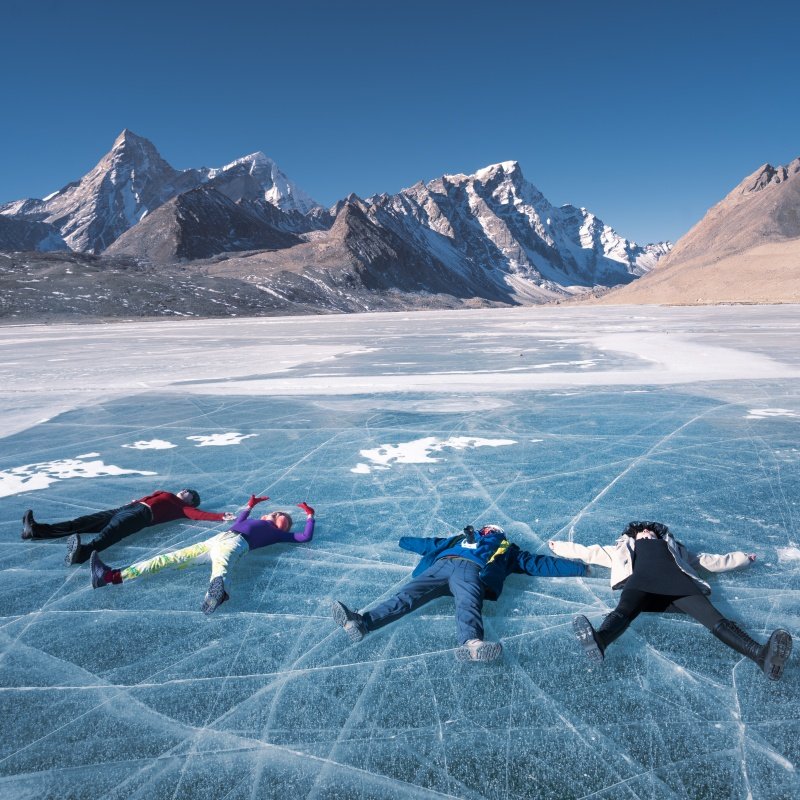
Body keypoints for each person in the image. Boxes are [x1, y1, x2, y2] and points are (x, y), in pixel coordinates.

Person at [548, 521, 793, 681]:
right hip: (640, 583)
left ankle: (761, 655)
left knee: (716, 620)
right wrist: (559, 546)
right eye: (640, 531)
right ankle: (600, 640)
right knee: (623, 610)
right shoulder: (622, 549)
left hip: (678, 584)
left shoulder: (676, 549)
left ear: (657, 533)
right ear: (632, 535)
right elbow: (590, 552)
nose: (645, 532)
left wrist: (742, 559)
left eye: (649, 530)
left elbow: (710, 561)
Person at [332, 523, 587, 662]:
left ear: (499, 534)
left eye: (493, 531)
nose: (488, 531)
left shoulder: (508, 549)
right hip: (440, 567)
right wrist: (403, 540)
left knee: (468, 604)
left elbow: (538, 564)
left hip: (472, 571)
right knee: (405, 597)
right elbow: (431, 544)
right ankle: (362, 622)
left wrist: (578, 567)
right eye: (487, 529)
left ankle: (473, 645)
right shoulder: (458, 539)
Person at [89, 496, 315, 614]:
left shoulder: (276, 534)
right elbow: (239, 522)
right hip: (216, 541)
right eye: (276, 514)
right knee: (167, 559)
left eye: (278, 517)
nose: (274, 516)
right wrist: (249, 505)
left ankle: (219, 593)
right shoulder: (258, 523)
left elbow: (304, 537)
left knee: (221, 569)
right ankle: (111, 577)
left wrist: (309, 516)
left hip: (237, 544)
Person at [21, 489, 236, 566]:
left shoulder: (182, 508)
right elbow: (148, 496)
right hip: (128, 508)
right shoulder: (165, 493)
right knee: (83, 522)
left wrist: (221, 516)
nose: (185, 490)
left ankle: (83, 553)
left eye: (190, 493)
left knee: (112, 532)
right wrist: (131, 503)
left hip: (142, 516)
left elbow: (200, 515)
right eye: (186, 490)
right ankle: (37, 530)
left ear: (190, 501)